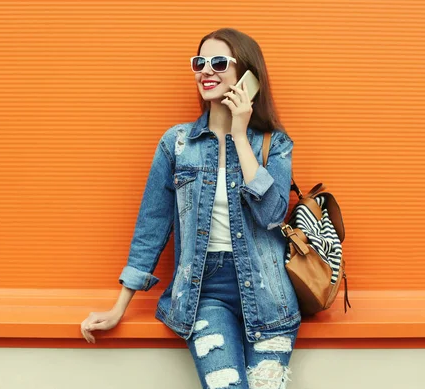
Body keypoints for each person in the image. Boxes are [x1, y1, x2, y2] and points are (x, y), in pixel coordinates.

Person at [80, 28, 300, 389]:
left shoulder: (273, 144)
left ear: (248, 76)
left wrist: (241, 136)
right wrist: (119, 306)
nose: (205, 71)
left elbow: (272, 215)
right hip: (205, 293)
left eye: (218, 62)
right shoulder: (177, 144)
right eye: (200, 63)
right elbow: (152, 226)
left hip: (269, 296)